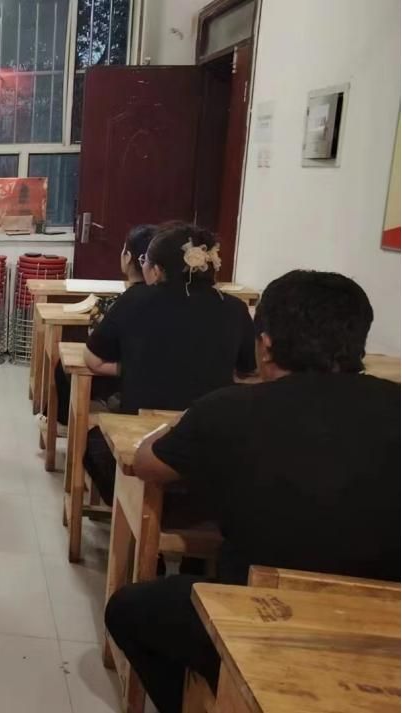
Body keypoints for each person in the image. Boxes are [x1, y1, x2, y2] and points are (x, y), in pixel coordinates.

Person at [105, 270, 400, 713]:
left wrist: (177, 422)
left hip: (257, 617)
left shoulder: (229, 410)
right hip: (382, 627)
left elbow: (146, 462)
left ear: (266, 344)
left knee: (129, 610)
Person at [82, 221, 255, 504]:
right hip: (210, 447)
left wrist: (134, 365)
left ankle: (132, 517)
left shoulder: (135, 299)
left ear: (157, 269)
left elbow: (93, 359)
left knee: (93, 446)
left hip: (144, 441)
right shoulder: (235, 309)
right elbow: (247, 374)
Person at [49, 224, 157, 429]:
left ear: (128, 257)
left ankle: (66, 423)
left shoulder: (125, 302)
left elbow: (94, 355)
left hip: (130, 386)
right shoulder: (183, 302)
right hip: (168, 392)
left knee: (66, 366)